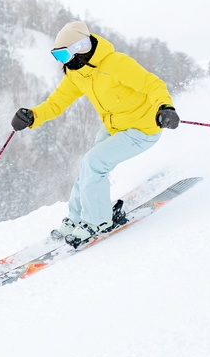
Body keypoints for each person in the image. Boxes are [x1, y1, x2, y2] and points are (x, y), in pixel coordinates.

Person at [11, 20, 180, 245]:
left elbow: (152, 84)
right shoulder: (78, 74)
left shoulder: (116, 64)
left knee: (94, 162)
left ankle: (99, 221)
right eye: (57, 57)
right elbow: (56, 103)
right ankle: (77, 217)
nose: (62, 62)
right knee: (88, 166)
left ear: (80, 48)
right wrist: (32, 116)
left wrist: (165, 107)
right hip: (114, 128)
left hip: (142, 129)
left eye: (63, 56)